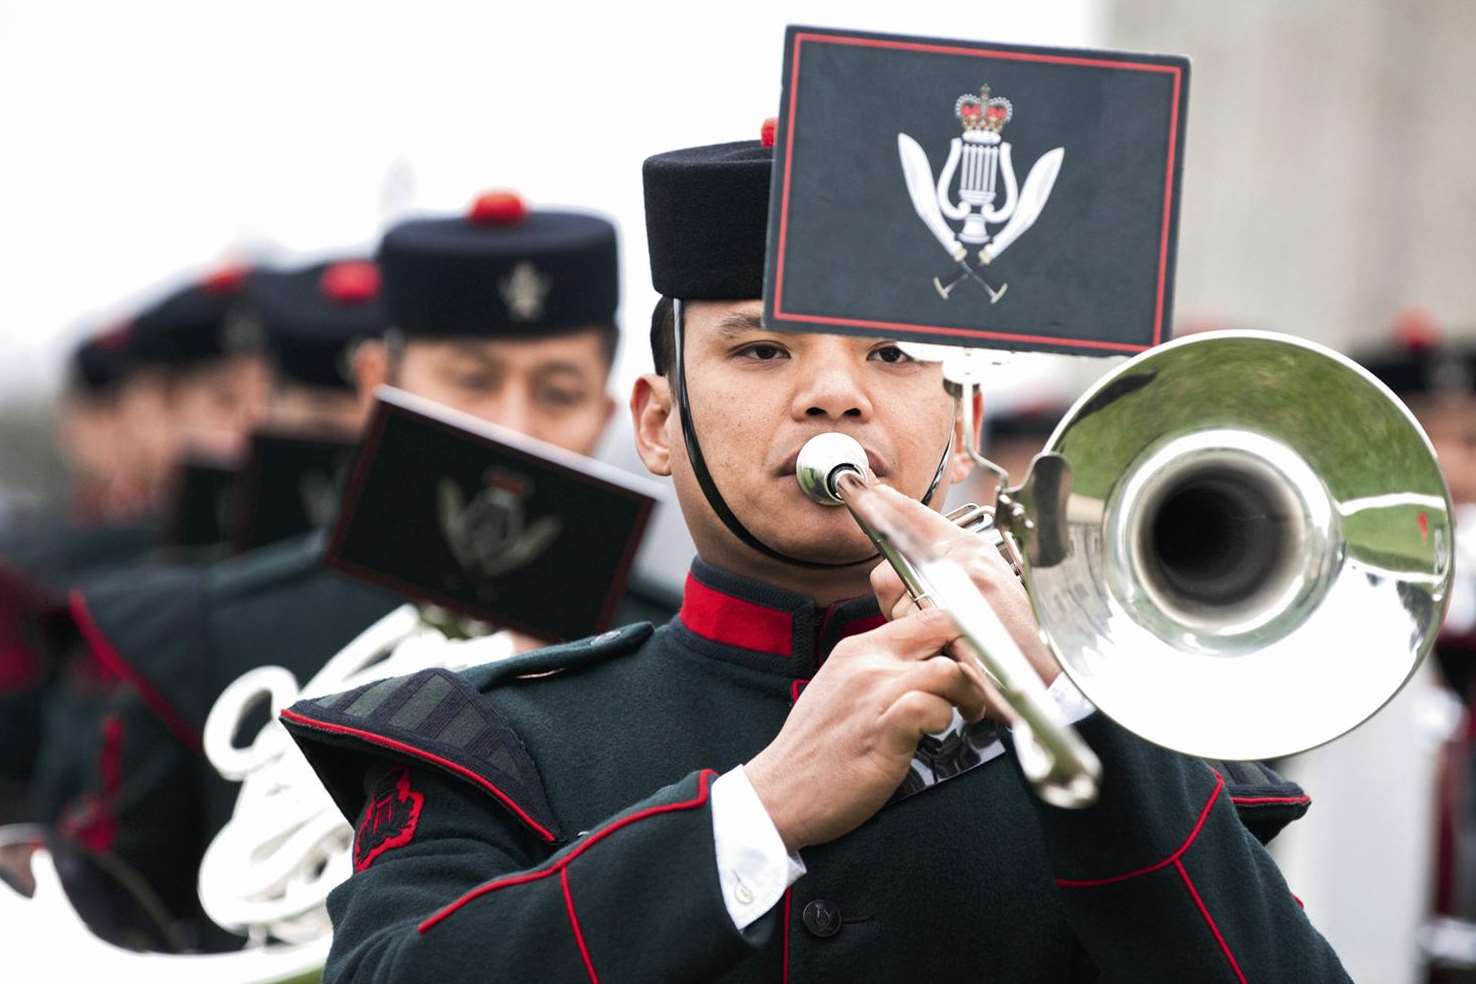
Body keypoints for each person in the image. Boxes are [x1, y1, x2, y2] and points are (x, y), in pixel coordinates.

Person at [283, 130, 1348, 982]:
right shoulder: (482, 742)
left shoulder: (1144, 762)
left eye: (892, 353)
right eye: (759, 349)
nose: (833, 394)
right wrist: (757, 812)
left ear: (964, 420)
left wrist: (1068, 699)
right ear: (656, 422)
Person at [42, 196, 666, 950]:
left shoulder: (660, 642)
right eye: (471, 380)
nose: (514, 426)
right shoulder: (197, 633)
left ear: (606, 411)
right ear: (377, 380)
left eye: (558, 393)